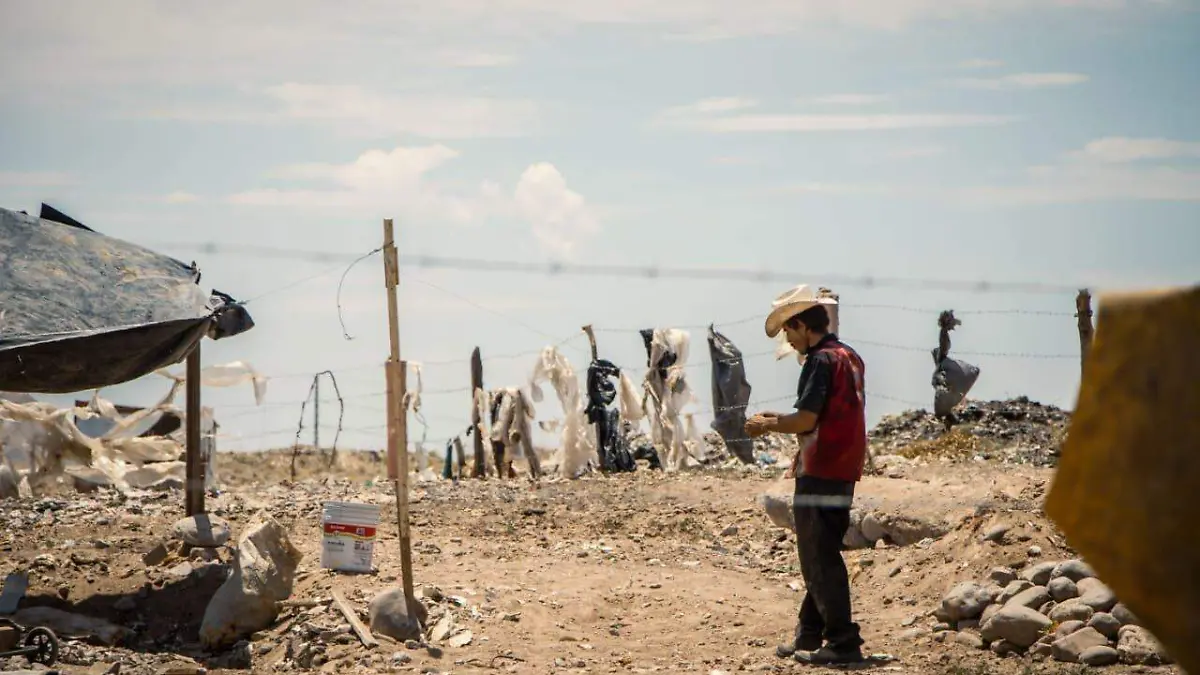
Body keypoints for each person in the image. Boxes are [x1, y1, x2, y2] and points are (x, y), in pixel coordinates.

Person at [744, 284, 868, 665]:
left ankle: (843, 642)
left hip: (821, 468)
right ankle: (809, 634)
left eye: (788, 331)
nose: (788, 340)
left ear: (800, 325)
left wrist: (767, 424)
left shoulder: (820, 361)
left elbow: (806, 418)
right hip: (845, 466)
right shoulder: (850, 356)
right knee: (821, 551)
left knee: (818, 557)